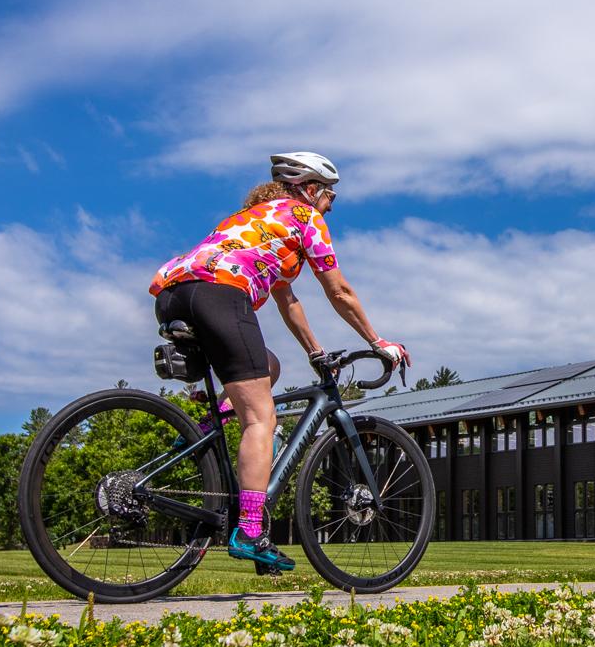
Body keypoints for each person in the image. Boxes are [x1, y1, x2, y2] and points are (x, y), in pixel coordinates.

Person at [149, 151, 410, 572]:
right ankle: (249, 530)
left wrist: (315, 352)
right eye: (330, 197)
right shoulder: (305, 219)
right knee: (261, 419)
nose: (331, 206)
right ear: (311, 190)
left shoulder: (256, 219)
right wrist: (378, 341)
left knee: (268, 368)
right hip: (220, 295)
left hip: (174, 293)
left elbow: (287, 300)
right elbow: (338, 290)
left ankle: (204, 428)